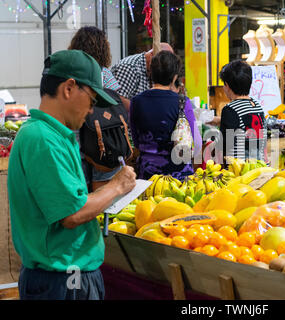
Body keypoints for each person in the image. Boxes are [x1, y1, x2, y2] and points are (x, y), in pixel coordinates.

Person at [7, 50, 136, 300]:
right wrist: (117, 186)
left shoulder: (53, 135)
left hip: (65, 277)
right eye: (91, 99)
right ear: (69, 88)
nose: (91, 111)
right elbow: (72, 214)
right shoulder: (43, 139)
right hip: (63, 279)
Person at [68, 26, 123, 191]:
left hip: (78, 144)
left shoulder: (70, 73)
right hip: (103, 142)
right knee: (105, 198)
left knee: (81, 192)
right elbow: (115, 98)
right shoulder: (104, 73)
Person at [129, 50, 200, 180]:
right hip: (179, 177)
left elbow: (136, 141)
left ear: (151, 73)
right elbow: (197, 143)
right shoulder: (183, 102)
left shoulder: (136, 101)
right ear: (174, 77)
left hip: (148, 176)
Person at [219, 60, 267, 162]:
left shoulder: (230, 109)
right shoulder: (257, 106)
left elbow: (226, 147)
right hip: (261, 168)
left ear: (227, 86)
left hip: (241, 172)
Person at [110, 42, 174, 110]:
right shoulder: (130, 67)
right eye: (162, 63)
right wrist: (143, 111)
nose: (161, 68)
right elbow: (117, 98)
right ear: (152, 54)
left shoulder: (151, 68)